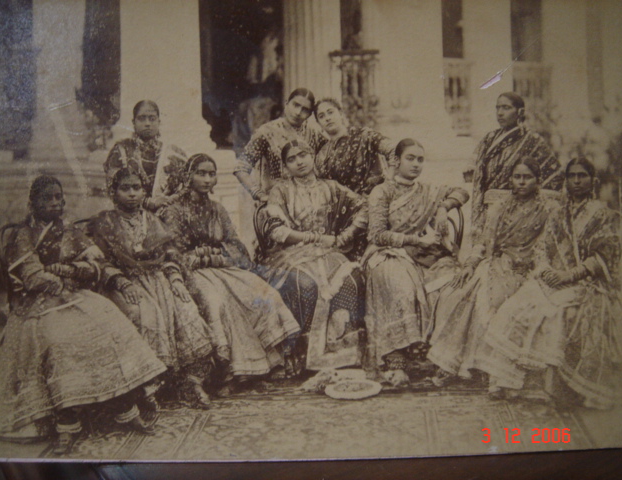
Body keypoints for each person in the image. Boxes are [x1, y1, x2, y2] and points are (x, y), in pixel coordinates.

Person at [0, 176, 166, 455]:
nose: (54, 203)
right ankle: (67, 422)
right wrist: (66, 275)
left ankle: (125, 408)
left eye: (57, 198)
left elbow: (96, 265)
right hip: (36, 307)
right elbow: (33, 278)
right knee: (61, 341)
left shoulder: (68, 230)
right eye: (46, 199)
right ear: (32, 203)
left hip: (73, 297)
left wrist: (72, 271)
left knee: (112, 326)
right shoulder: (23, 235)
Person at [479, 158, 622, 409]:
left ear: (593, 181)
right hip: (553, 279)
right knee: (514, 307)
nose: (577, 181)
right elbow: (542, 248)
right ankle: (508, 381)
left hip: (586, 283)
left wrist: (568, 276)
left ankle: (552, 388)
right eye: (572, 176)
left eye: (582, 176)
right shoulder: (559, 212)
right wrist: (546, 270)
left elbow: (603, 257)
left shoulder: (603, 215)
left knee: (555, 312)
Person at [161, 154, 300, 392]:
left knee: (263, 293)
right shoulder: (175, 210)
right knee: (217, 303)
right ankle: (228, 373)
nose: (206, 179)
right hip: (192, 273)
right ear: (188, 176)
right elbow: (172, 249)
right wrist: (198, 259)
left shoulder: (217, 209)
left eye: (211, 174)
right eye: (201, 173)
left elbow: (235, 244)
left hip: (222, 267)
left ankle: (263, 366)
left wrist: (218, 257)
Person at [89, 168, 219, 409]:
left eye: (136, 188)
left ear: (144, 191)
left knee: (186, 310)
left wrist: (176, 280)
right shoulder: (105, 221)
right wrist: (121, 281)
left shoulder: (152, 219)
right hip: (125, 282)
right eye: (125, 188)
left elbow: (170, 253)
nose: (131, 194)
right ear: (113, 192)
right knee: (143, 315)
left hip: (159, 278)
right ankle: (148, 387)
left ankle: (189, 383)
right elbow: (100, 261)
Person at [428, 158, 557, 387]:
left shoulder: (547, 210)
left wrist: (526, 265)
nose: (521, 182)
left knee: (495, 301)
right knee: (458, 295)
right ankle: (454, 364)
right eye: (517, 177)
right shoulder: (501, 207)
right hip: (495, 264)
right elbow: (484, 244)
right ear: (511, 179)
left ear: (537, 180)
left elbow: (545, 248)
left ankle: (488, 367)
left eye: (527, 177)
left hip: (526, 269)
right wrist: (469, 265)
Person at [362, 139, 469, 379]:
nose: (416, 164)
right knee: (400, 284)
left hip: (427, 255)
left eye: (420, 159)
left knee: (453, 286)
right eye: (410, 158)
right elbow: (377, 235)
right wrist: (415, 241)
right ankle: (396, 355)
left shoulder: (428, 190)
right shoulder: (382, 191)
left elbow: (462, 192)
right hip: (387, 253)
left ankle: (437, 354)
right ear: (396, 161)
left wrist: (443, 207)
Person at [259, 140, 368, 374]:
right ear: (286, 167)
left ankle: (343, 354)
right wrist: (312, 238)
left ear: (313, 157)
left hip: (330, 252)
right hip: (292, 254)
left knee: (350, 282)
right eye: (292, 159)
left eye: (304, 155)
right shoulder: (281, 190)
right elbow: (276, 230)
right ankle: (303, 355)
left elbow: (365, 207)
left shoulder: (331, 187)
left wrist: (345, 236)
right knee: (305, 285)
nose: (299, 161)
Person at [465, 92, 563, 241]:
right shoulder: (489, 138)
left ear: (520, 112)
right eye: (497, 108)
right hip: (487, 210)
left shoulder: (532, 140)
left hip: (517, 212)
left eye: (506, 108)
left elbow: (554, 174)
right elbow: (473, 165)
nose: (500, 113)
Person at [234, 88, 327, 202]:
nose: (298, 112)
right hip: (276, 203)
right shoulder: (267, 132)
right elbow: (241, 167)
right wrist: (258, 194)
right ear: (286, 103)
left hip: (309, 203)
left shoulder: (314, 135)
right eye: (295, 105)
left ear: (309, 114)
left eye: (305, 110)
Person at [104, 100, 187, 212]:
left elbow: (184, 189)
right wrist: (147, 202)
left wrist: (166, 202)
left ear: (159, 122)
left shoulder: (174, 154)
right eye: (142, 118)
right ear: (134, 122)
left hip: (165, 215)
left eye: (152, 119)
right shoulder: (121, 150)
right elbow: (112, 189)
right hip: (128, 214)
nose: (147, 123)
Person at [313, 98, 394, 196]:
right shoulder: (322, 155)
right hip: (342, 207)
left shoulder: (365, 136)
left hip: (372, 202)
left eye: (330, 112)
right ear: (319, 123)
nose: (327, 118)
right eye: (321, 116)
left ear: (341, 113)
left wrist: (388, 183)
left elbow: (395, 151)